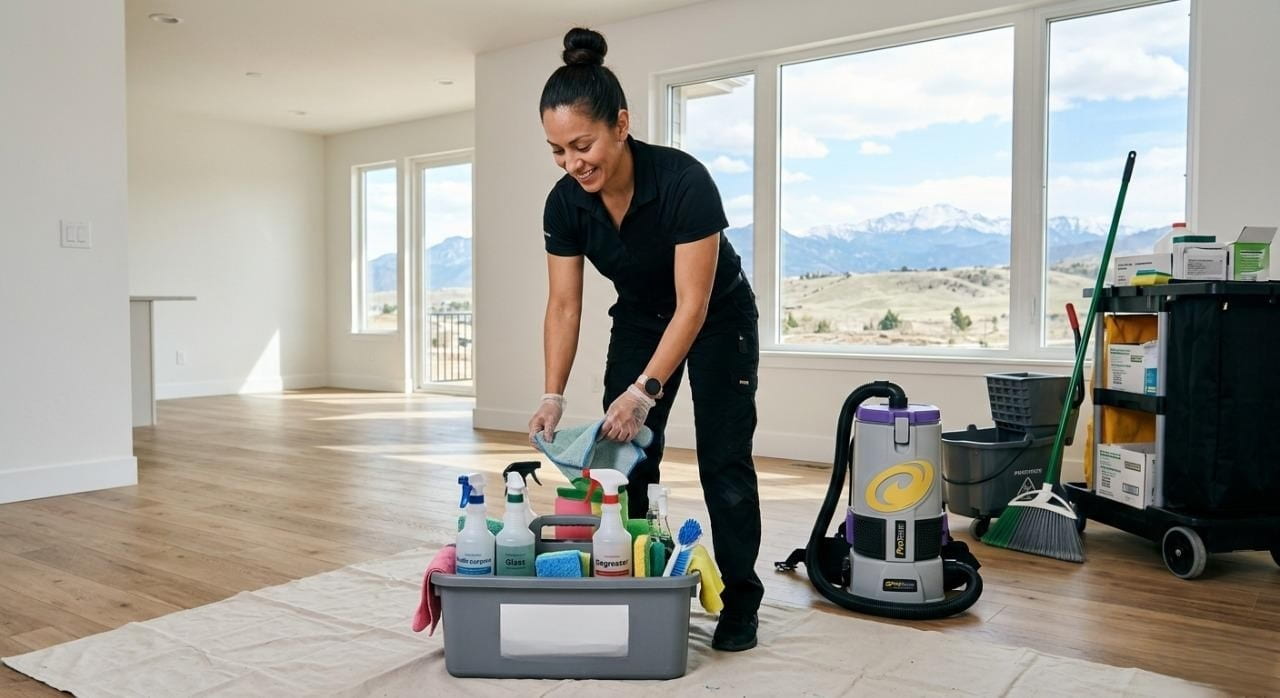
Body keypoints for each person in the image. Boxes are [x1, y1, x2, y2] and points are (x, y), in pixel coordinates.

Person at [526, 27, 763, 652]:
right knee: (619, 459)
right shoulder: (565, 205)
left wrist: (643, 391)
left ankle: (742, 599)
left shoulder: (685, 181)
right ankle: (629, 581)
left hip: (717, 318)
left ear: (621, 124)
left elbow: (695, 303)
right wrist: (552, 394)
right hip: (639, 317)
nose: (573, 163)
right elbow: (564, 305)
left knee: (724, 460)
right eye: (557, 150)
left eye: (583, 144)